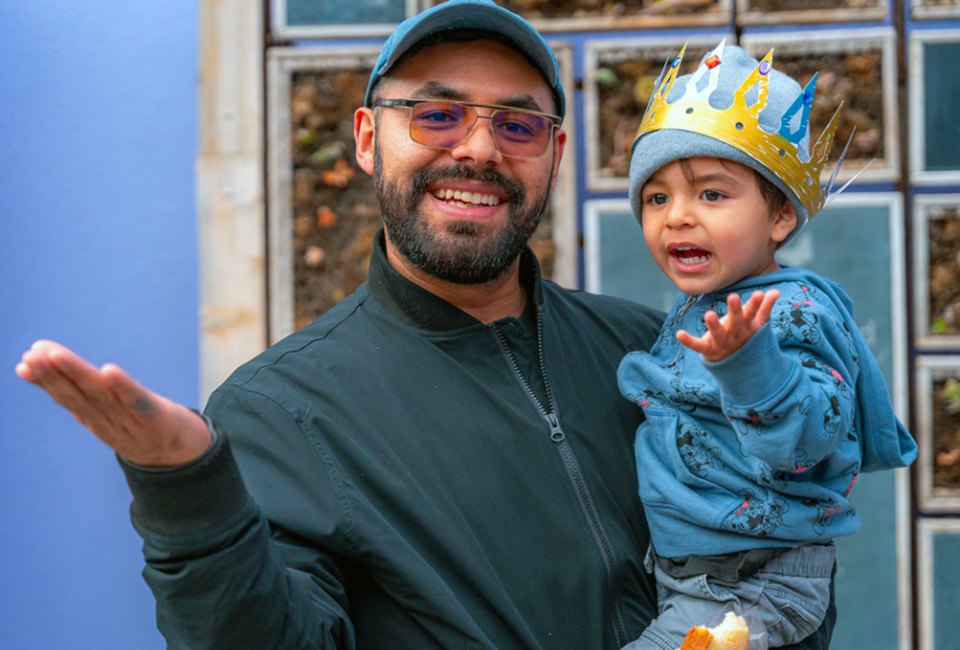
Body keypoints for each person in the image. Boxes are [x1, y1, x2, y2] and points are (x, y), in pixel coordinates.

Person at [15, 2, 837, 648]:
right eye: (436, 115)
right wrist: (188, 495)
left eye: (516, 124)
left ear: (551, 155)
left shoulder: (654, 351)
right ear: (371, 139)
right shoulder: (280, 411)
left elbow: (773, 562)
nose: (478, 149)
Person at [616, 41, 917, 649]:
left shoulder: (789, 311)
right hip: (695, 574)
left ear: (780, 216)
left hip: (755, 583)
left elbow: (809, 439)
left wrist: (749, 365)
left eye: (711, 194)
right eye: (657, 197)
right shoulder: (703, 304)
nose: (677, 215)